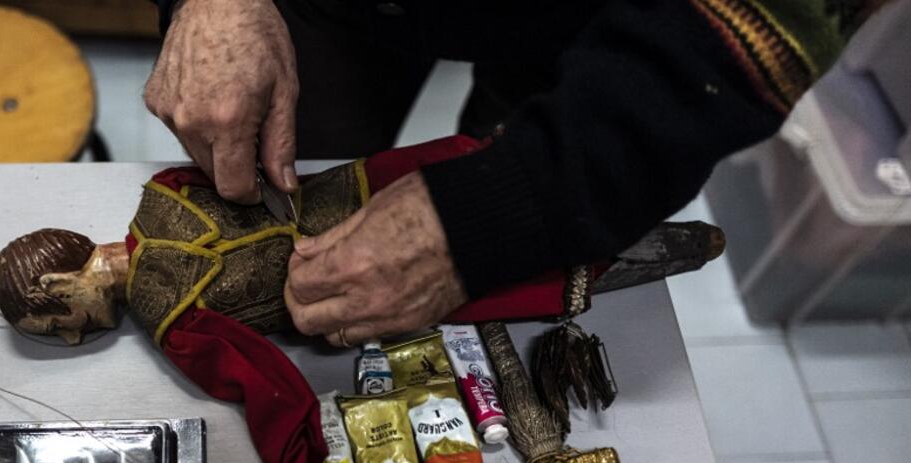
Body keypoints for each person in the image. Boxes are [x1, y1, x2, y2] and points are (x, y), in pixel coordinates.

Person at [143, 0, 884, 349]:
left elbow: (766, 24)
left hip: (595, 26)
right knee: (288, 189)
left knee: (498, 282)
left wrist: (503, 210)